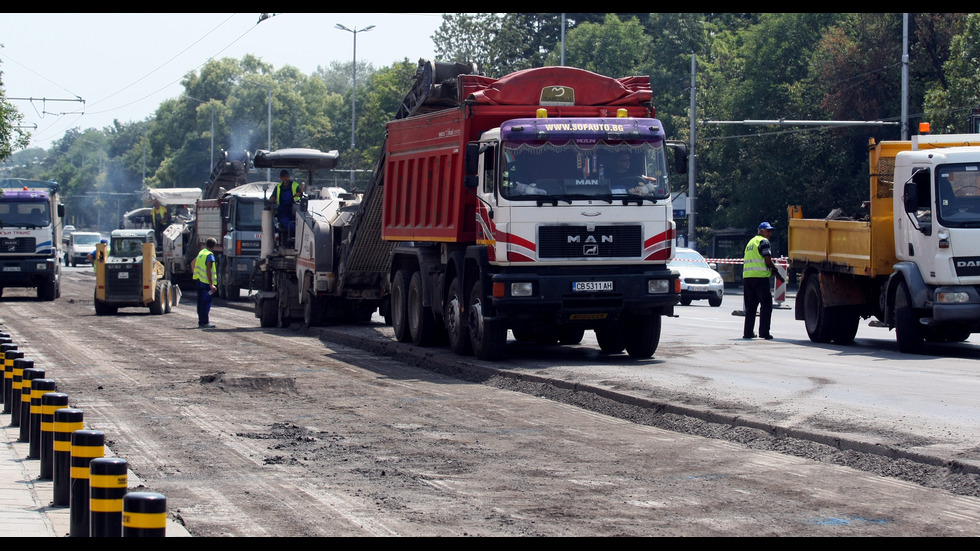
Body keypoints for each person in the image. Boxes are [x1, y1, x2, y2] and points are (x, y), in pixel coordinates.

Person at [742, 222, 783, 340]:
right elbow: (768, 261)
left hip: (748, 278)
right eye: (767, 230)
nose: (770, 233)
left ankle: (748, 332)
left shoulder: (751, 242)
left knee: (751, 307)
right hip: (760, 279)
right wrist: (776, 272)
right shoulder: (763, 242)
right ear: (761, 231)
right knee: (766, 306)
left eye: (770, 230)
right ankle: (764, 332)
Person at [270, 169, 302, 244]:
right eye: (283, 177)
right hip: (282, 210)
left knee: (295, 224)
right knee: (288, 224)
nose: (285, 179)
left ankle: (294, 239)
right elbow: (273, 197)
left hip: (293, 209)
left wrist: (299, 193)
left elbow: (300, 193)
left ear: (289, 177)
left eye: (286, 177)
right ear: (280, 178)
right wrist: (272, 199)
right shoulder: (278, 187)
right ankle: (289, 239)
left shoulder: (295, 185)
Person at [194, 237, 218, 329]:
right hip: (206, 283)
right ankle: (205, 322)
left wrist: (196, 274)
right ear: (214, 246)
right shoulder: (209, 255)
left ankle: (201, 321)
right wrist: (211, 284)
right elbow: (208, 269)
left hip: (200, 281)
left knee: (200, 303)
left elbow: (193, 263)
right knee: (206, 303)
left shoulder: (201, 252)